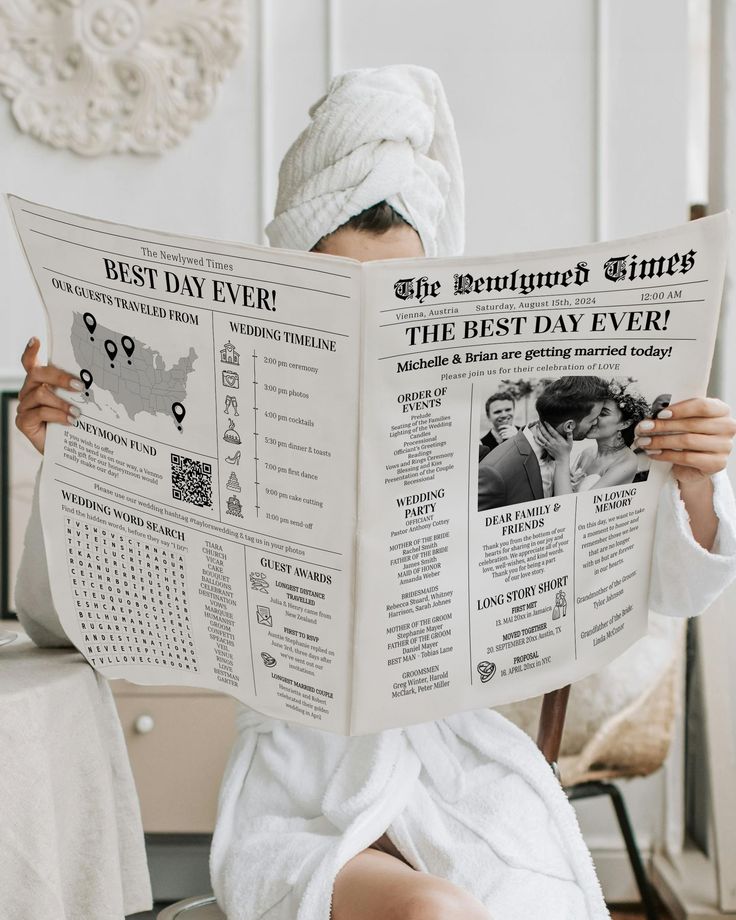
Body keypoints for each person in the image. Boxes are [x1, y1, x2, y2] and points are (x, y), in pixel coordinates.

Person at [13, 65, 736, 920]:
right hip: (301, 792)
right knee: (434, 912)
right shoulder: (221, 414)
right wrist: (71, 460)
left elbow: (679, 587)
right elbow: (58, 625)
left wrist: (695, 478)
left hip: (467, 780)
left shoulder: (511, 443)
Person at [477, 375, 609, 511]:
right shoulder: (495, 472)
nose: (597, 422)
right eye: (593, 418)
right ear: (569, 426)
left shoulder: (561, 449)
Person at [534, 380, 652, 496]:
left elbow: (571, 508)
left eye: (603, 414)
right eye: (595, 412)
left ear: (625, 423)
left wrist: (562, 459)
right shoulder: (587, 453)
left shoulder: (627, 462)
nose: (594, 419)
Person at [479, 391, 518, 461]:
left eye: (508, 410)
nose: (504, 415)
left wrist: (519, 439)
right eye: (497, 412)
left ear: (514, 410)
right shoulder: (482, 445)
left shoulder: (527, 433)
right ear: (488, 416)